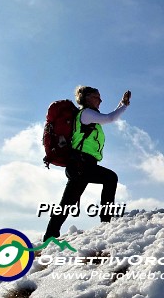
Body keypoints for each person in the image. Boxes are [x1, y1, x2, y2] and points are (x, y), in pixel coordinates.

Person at [44, 86, 130, 242]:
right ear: (87, 97)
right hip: (81, 164)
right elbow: (110, 118)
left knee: (67, 204)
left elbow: (108, 117)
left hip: (81, 165)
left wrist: (121, 104)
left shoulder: (88, 117)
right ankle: (105, 222)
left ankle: (49, 236)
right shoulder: (86, 114)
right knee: (110, 178)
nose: (100, 100)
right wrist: (123, 106)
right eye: (97, 97)